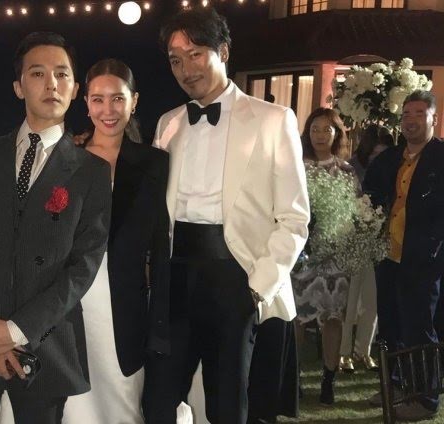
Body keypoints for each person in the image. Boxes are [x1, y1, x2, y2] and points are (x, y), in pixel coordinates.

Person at [0, 32, 112, 424]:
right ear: (19, 87)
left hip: (45, 342)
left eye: (62, 74)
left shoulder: (92, 172)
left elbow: (83, 267)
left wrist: (15, 332)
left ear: (75, 89)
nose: (51, 84)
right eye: (37, 73)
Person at [143, 7, 310, 424]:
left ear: (223, 51)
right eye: (175, 60)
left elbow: (294, 219)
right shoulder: (167, 124)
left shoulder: (273, 121)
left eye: (195, 54)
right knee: (158, 402)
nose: (186, 70)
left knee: (228, 408)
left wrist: (256, 289)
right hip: (174, 280)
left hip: (235, 278)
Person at [62, 58, 171, 423]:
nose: (107, 110)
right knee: (73, 403)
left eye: (117, 99)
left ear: (134, 101)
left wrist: (160, 322)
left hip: (125, 303)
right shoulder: (66, 158)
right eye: (98, 99)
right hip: (70, 299)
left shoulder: (154, 163)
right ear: (86, 103)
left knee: (123, 401)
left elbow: (161, 246)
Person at [364, 90, 443, 422]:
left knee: (419, 327)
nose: (411, 120)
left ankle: (425, 399)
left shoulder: (441, 157)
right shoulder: (388, 159)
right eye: (407, 114)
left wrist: (433, 247)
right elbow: (368, 196)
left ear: (434, 119)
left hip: (425, 260)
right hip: (387, 257)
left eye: (419, 113)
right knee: (391, 324)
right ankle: (394, 385)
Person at [292, 107, 357, 405]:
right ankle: (293, 378)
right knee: (297, 319)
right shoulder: (295, 167)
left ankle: (328, 379)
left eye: (326, 130)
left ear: (336, 134)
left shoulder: (346, 171)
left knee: (333, 318)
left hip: (334, 256)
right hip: (301, 255)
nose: (320, 135)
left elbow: (354, 209)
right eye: (314, 129)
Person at [338, 124, 393, 373]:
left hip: (378, 240)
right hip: (353, 239)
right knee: (350, 300)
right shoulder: (351, 170)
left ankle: (364, 351)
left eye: (383, 153)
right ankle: (343, 352)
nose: (378, 158)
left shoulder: (392, 170)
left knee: (372, 300)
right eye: (374, 153)